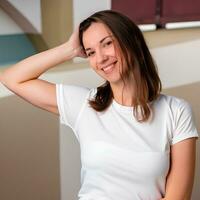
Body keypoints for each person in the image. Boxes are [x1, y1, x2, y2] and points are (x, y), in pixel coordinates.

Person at [0, 10, 199, 200]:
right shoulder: (84, 104)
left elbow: (178, 196)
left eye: (107, 43)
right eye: (91, 52)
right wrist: (68, 50)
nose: (101, 58)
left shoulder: (176, 111)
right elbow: (12, 79)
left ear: (132, 40)